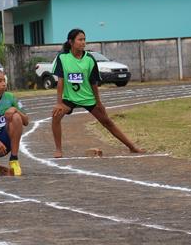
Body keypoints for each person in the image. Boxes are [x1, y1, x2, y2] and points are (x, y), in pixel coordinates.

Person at [51, 28, 143, 156]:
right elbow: (60, 81)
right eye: (80, 40)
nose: (83, 42)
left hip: (88, 97)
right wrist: (59, 103)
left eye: (84, 39)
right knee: (55, 116)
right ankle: (58, 149)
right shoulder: (62, 58)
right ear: (71, 42)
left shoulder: (89, 59)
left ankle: (132, 147)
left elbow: (94, 82)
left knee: (107, 122)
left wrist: (99, 103)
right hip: (69, 98)